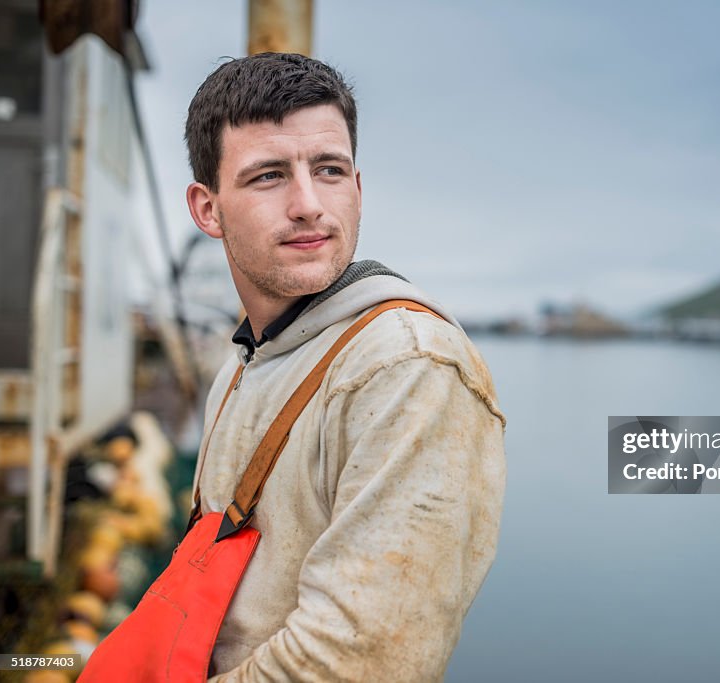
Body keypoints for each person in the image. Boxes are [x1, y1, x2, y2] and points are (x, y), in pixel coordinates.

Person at [183, 53, 506, 681]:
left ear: (357, 189)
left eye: (328, 170)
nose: (308, 204)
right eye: (268, 176)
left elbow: (359, 659)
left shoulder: (407, 365)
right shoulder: (244, 364)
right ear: (208, 209)